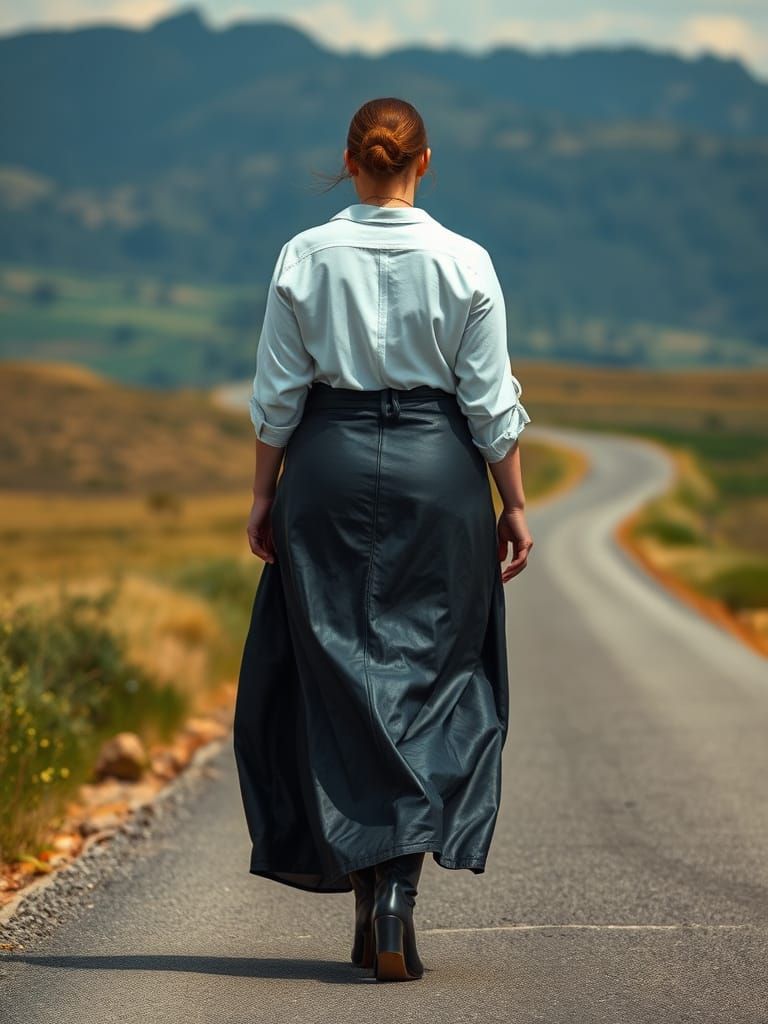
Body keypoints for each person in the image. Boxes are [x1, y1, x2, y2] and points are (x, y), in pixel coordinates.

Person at [233, 96, 534, 983]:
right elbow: (490, 402)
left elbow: (277, 393)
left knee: (334, 677)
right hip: (439, 474)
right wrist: (513, 504)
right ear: (425, 162)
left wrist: (262, 494)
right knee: (438, 676)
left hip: (323, 467)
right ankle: (399, 885)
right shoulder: (466, 261)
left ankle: (372, 890)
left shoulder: (303, 255)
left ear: (350, 161)